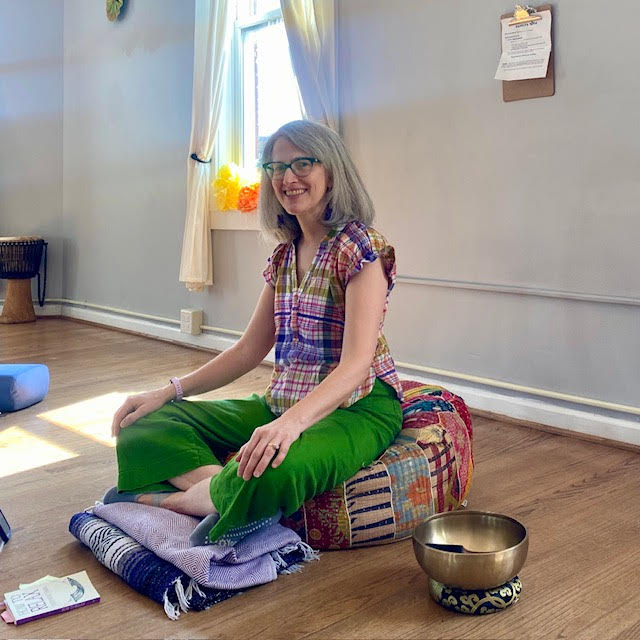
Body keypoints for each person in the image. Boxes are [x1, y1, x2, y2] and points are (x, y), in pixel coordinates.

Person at [105, 120, 404, 547]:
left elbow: (356, 365)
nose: (287, 177)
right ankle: (217, 495)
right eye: (275, 167)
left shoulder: (362, 248)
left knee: (276, 466)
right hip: (282, 400)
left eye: (303, 163)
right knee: (142, 422)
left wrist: (290, 425)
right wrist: (168, 391)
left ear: (333, 171)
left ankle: (177, 501)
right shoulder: (284, 255)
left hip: (358, 406)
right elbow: (249, 349)